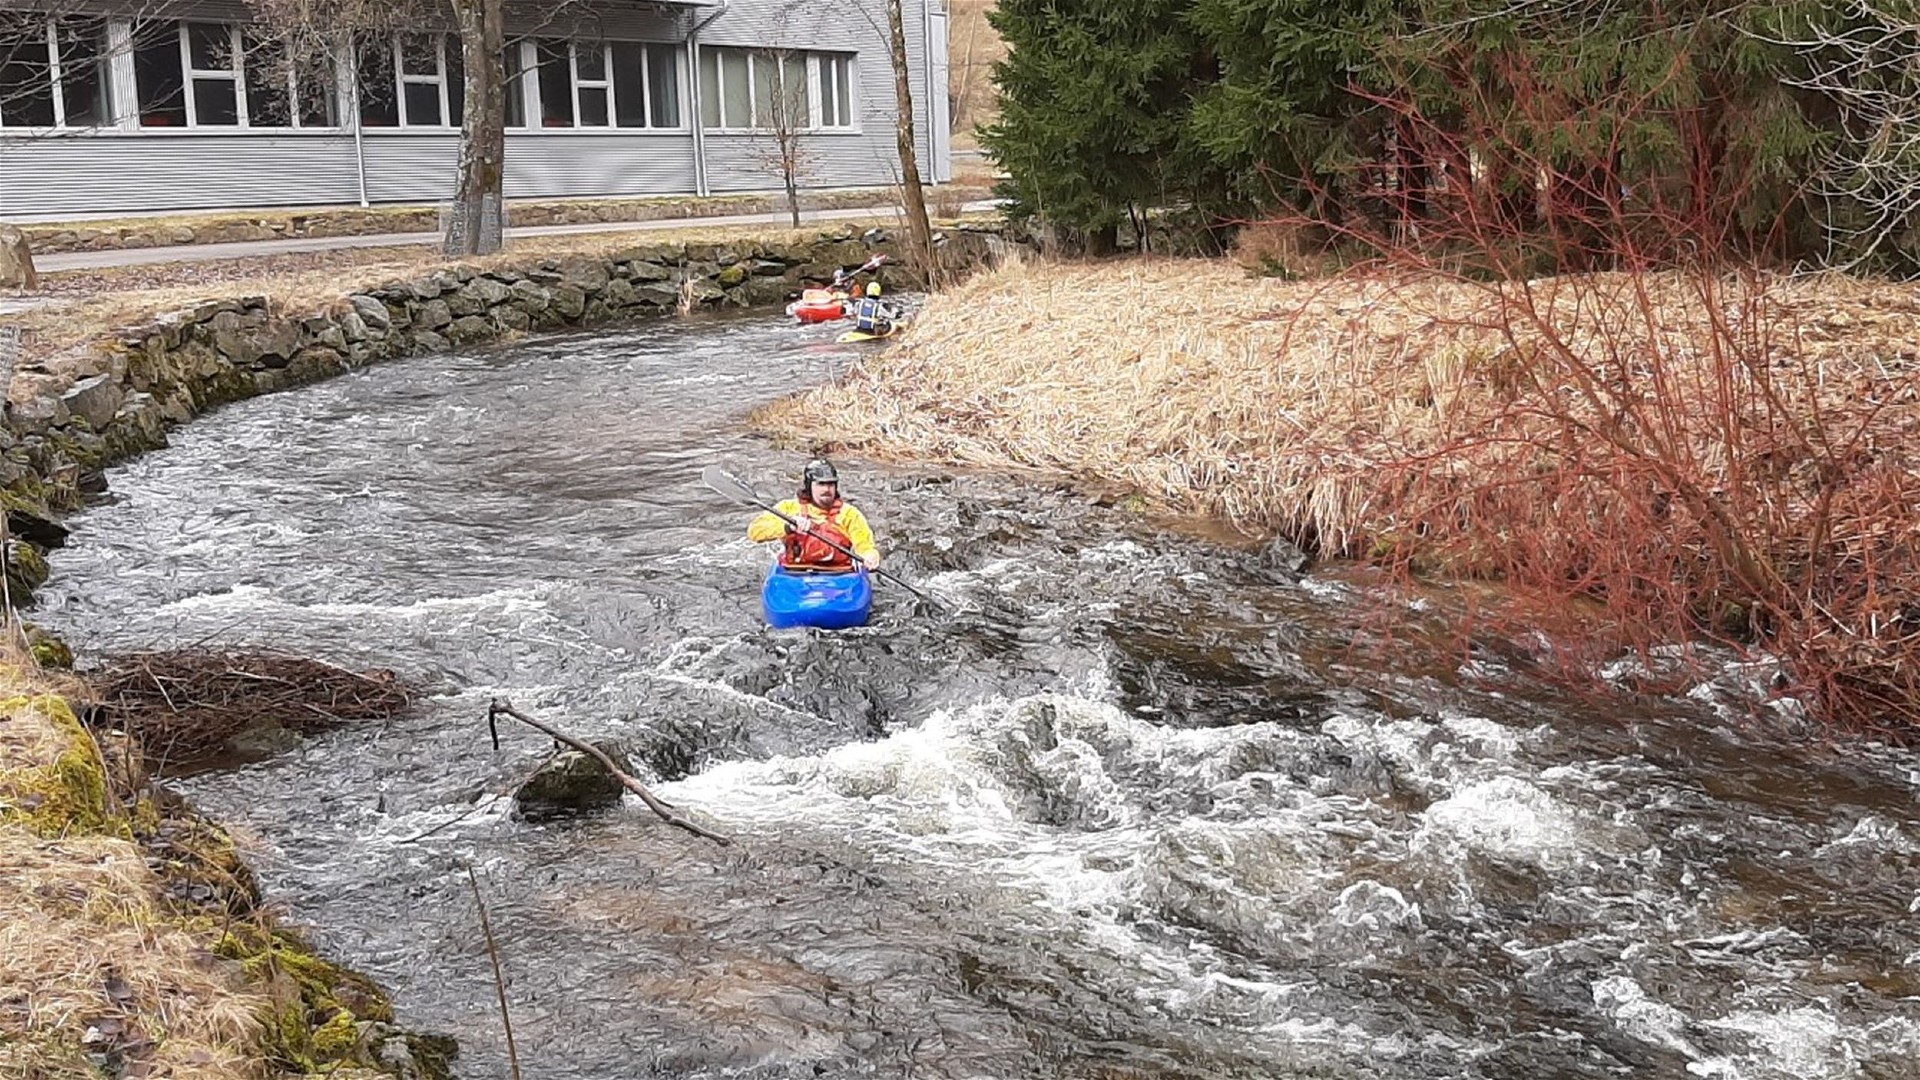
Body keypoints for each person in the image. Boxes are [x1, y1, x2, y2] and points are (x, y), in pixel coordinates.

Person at [747, 459, 882, 572]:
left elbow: (865, 545)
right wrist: (788, 527)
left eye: (831, 484)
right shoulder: (788, 508)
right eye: (821, 484)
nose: (826, 489)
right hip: (794, 573)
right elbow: (754, 532)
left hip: (839, 575)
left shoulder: (850, 514)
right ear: (809, 486)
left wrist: (870, 556)